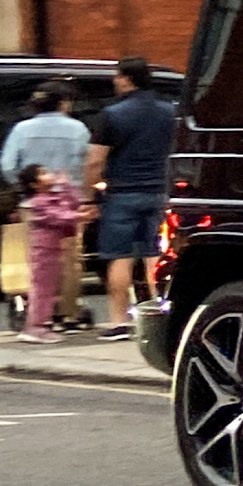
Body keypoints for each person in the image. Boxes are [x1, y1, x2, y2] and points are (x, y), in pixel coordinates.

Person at [85, 56, 176, 340]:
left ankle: (118, 322)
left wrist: (87, 198)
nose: (115, 81)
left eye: (117, 76)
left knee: (120, 258)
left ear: (126, 79)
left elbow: (94, 162)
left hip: (122, 194)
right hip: (161, 192)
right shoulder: (170, 112)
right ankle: (164, 316)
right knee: (155, 256)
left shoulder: (111, 115)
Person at [0, 83, 92, 330]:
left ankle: (43, 313)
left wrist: (26, 187)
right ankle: (69, 314)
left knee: (39, 261)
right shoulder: (77, 129)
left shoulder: (22, 129)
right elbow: (86, 162)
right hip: (69, 202)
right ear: (63, 103)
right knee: (70, 261)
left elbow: (8, 165)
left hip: (35, 202)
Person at [14, 165, 84, 344]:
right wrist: (78, 216)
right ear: (35, 185)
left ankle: (42, 324)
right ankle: (36, 326)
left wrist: (67, 186)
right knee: (42, 290)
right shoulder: (38, 202)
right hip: (43, 252)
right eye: (43, 174)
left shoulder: (53, 197)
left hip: (54, 250)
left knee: (49, 290)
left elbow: (73, 202)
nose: (50, 175)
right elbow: (57, 216)